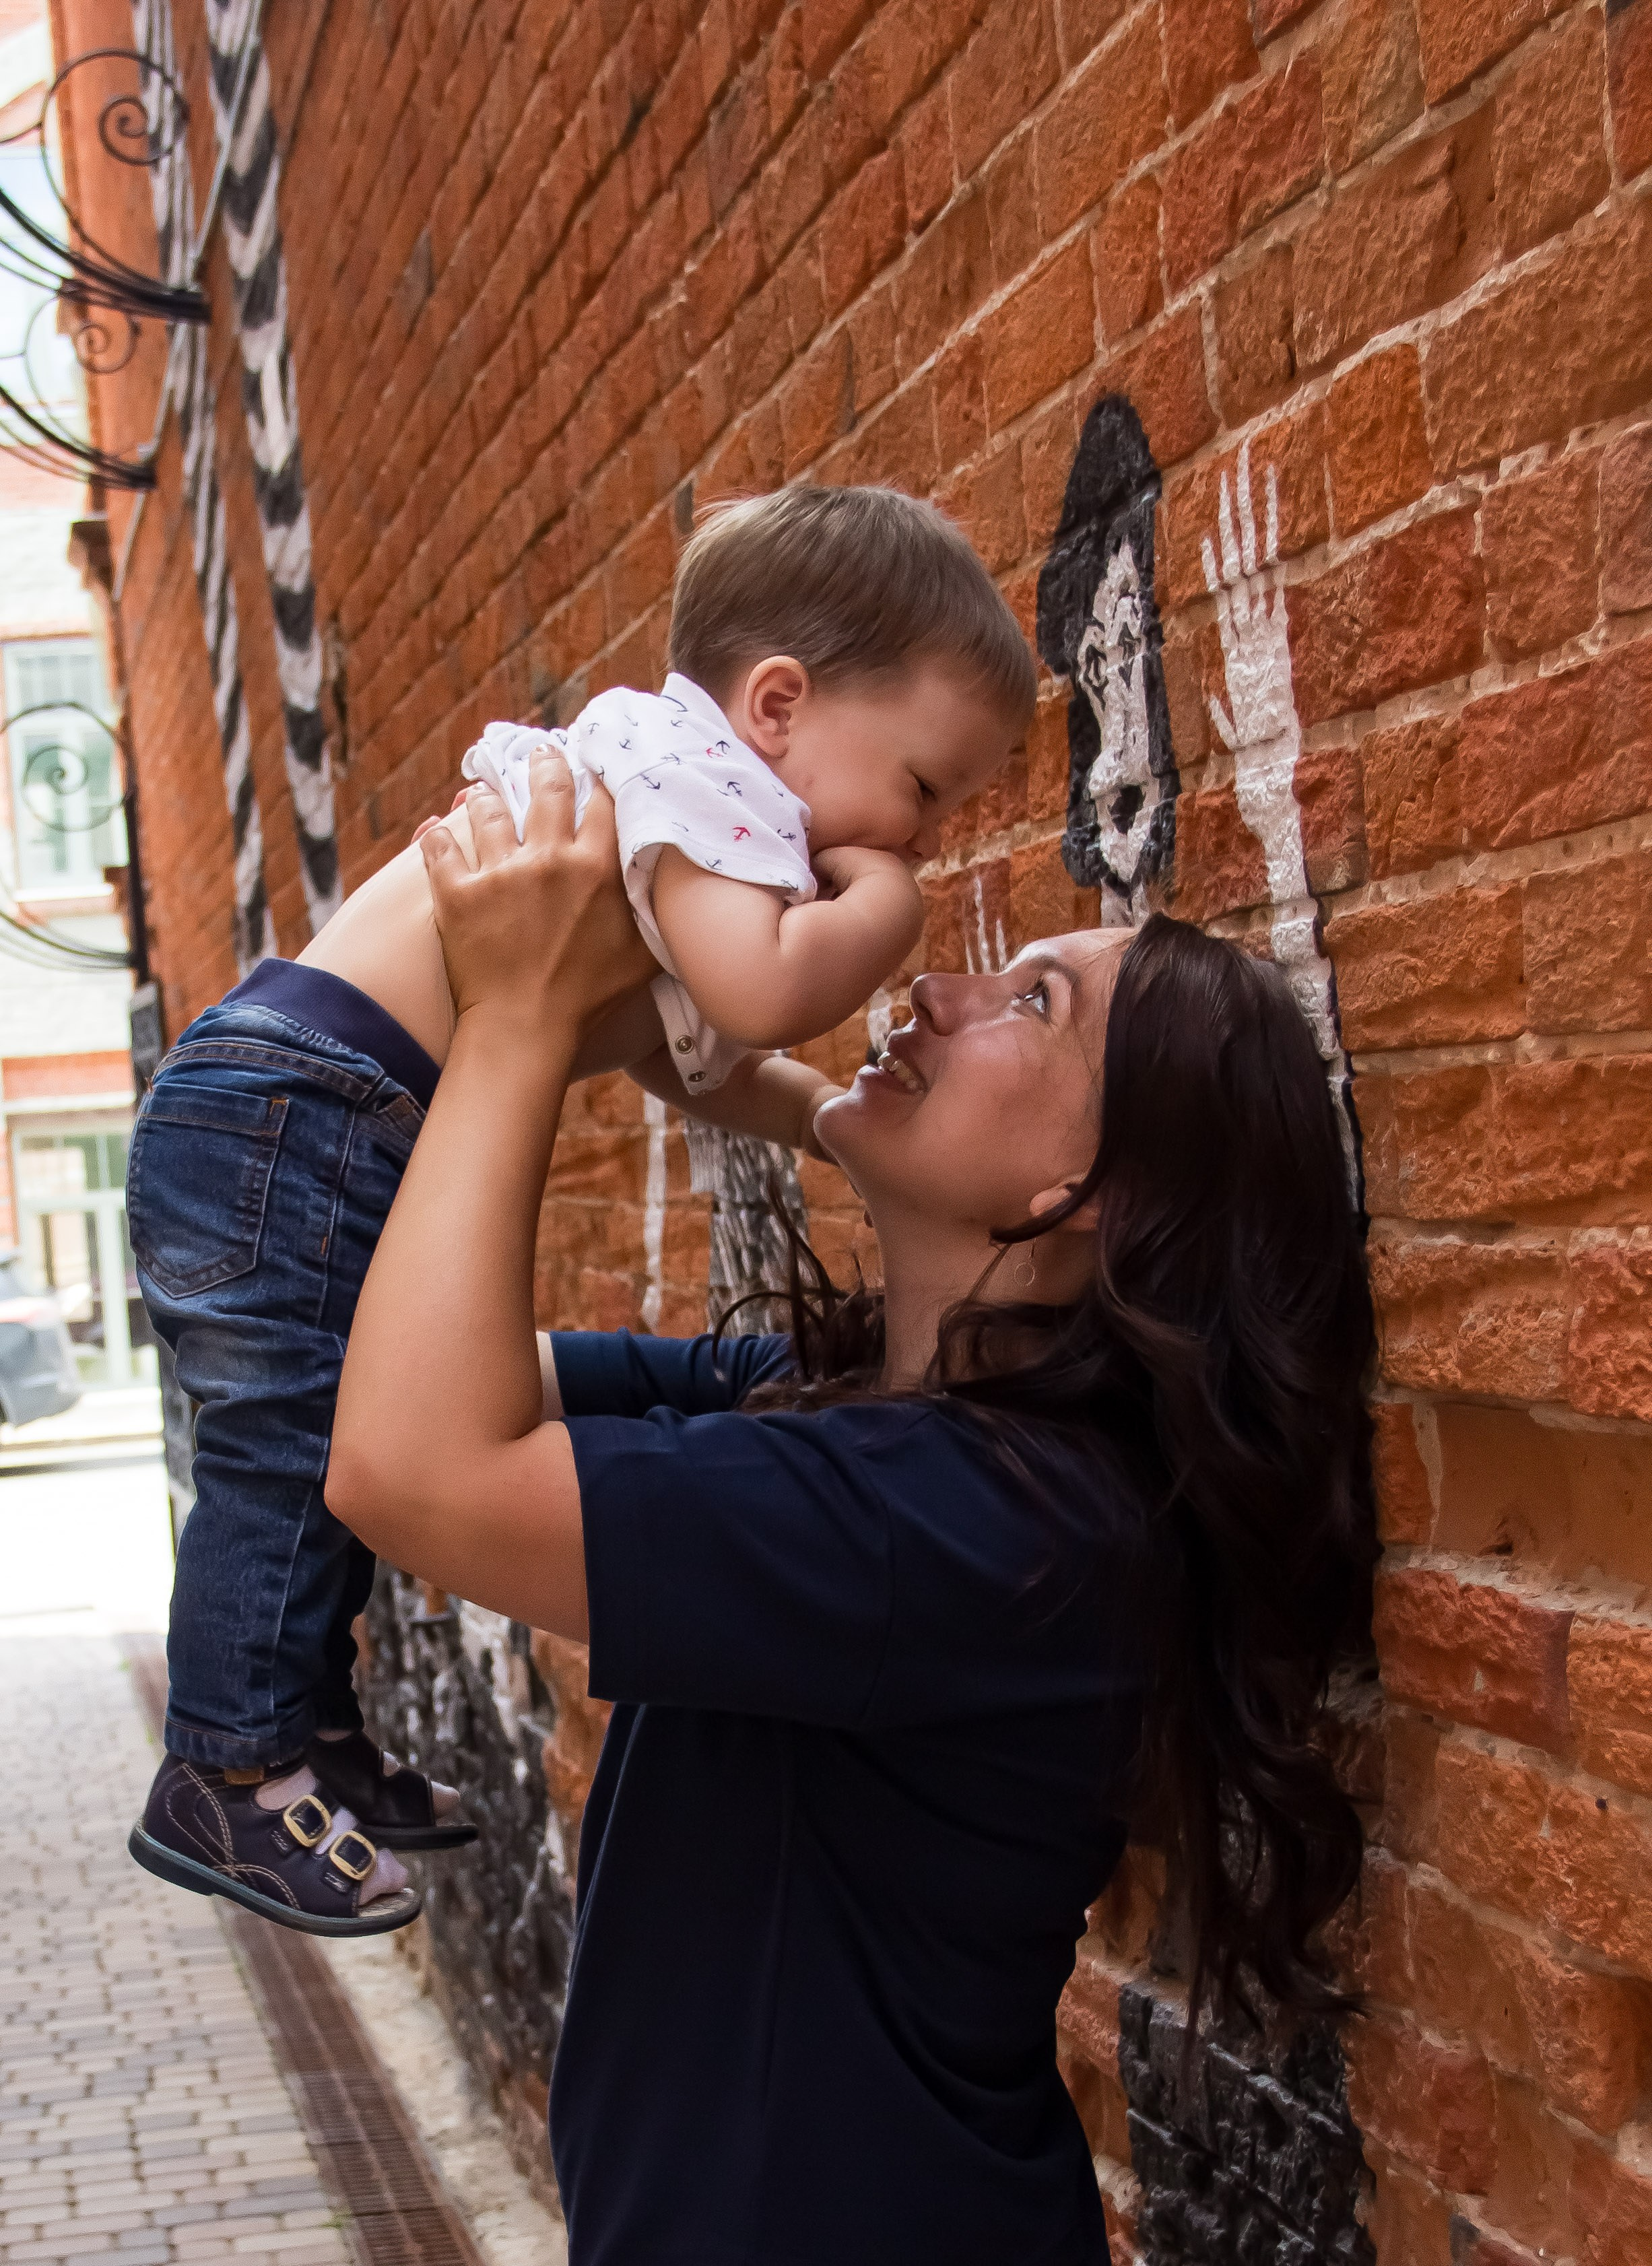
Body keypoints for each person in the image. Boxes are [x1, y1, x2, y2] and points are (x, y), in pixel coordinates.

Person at [325, 754, 1378, 2264]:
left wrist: (519, 1016)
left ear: (1090, 1196)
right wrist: (694, 1036)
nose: (945, 991)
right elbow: (406, 1374)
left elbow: (410, 1466)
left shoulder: (966, 1522)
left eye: (1037, 1005)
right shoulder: (862, 1413)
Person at [125, 486, 1033, 1937]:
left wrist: (811, 1113)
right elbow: (759, 991)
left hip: (302, 1107)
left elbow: (682, 1053)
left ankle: (307, 1730)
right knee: (290, 1444)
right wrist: (885, 907)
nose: (922, 835)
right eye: (925, 790)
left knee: (323, 1423)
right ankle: (225, 1766)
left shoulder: (680, 802)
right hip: (295, 1113)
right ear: (780, 703)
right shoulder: (711, 789)